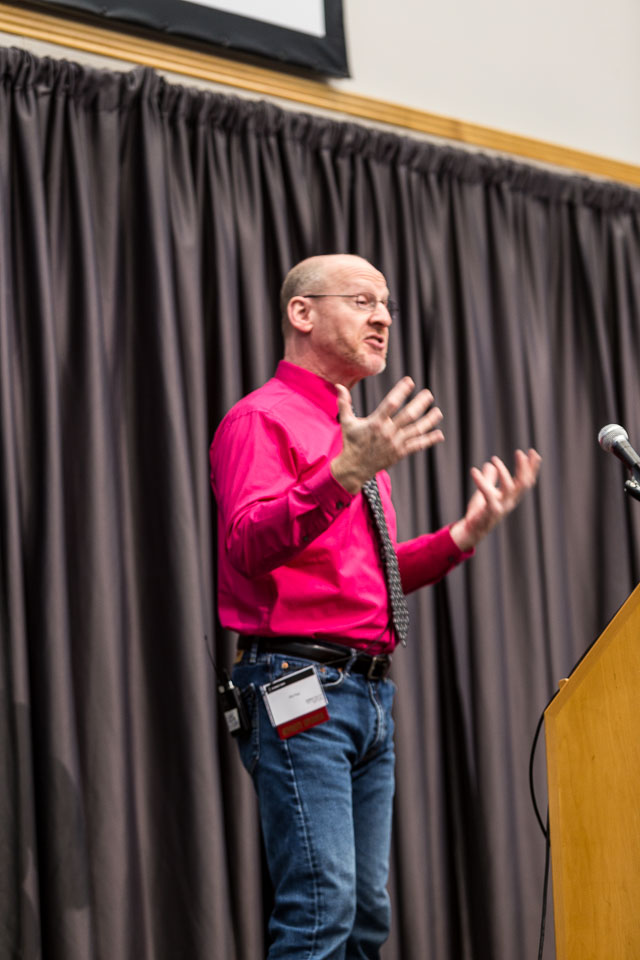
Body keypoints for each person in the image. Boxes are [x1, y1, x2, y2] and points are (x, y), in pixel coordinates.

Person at [209, 253, 541, 959]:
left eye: (386, 303)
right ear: (302, 313)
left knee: (363, 916)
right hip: (297, 685)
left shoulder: (351, 435)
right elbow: (244, 544)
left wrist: (462, 535)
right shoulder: (260, 419)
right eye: (362, 301)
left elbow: (365, 583)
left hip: (368, 694)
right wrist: (341, 475)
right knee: (321, 910)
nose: (383, 317)